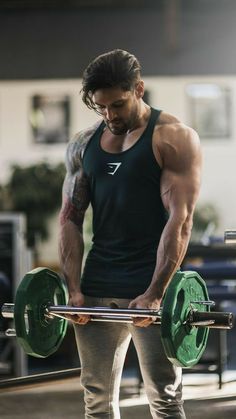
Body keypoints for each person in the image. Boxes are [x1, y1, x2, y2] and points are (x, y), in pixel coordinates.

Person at [58, 49, 202, 419]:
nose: (109, 116)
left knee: (165, 398)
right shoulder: (83, 145)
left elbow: (180, 220)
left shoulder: (173, 137)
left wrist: (155, 293)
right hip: (98, 284)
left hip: (150, 284)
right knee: (96, 400)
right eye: (100, 107)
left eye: (117, 105)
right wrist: (73, 289)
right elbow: (70, 219)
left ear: (138, 89)